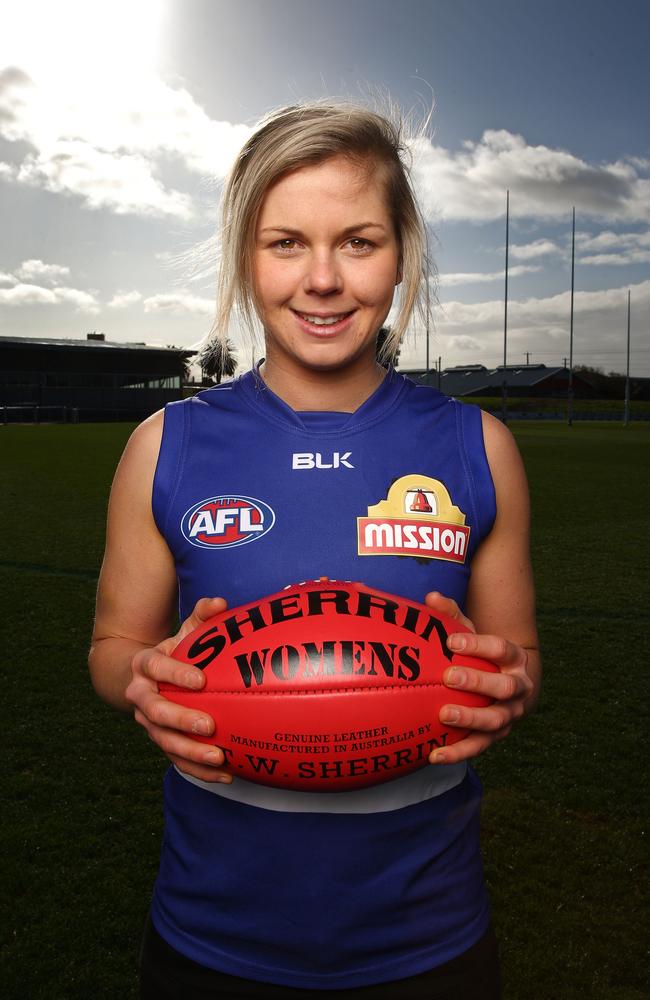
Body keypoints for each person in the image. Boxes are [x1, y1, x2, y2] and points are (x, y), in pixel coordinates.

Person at [89, 102, 541, 999]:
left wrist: (508, 684)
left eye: (360, 242)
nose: (324, 279)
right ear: (245, 255)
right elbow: (112, 649)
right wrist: (143, 676)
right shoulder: (164, 444)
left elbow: (520, 656)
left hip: (429, 938)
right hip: (211, 937)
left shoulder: (476, 446)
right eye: (286, 242)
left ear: (403, 250)